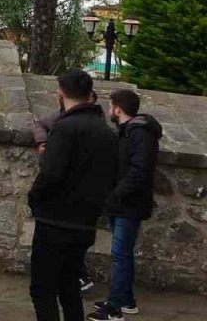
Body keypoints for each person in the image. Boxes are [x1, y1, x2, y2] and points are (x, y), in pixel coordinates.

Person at [28, 70, 117, 321]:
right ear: (89, 94)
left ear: (61, 92)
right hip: (85, 222)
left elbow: (50, 174)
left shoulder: (65, 127)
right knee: (69, 287)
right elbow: (112, 177)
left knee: (43, 288)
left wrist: (34, 198)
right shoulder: (107, 132)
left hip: (55, 220)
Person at [89, 90, 161, 321]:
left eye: (111, 106)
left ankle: (115, 308)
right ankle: (125, 300)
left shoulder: (140, 134)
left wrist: (116, 195)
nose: (109, 110)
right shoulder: (126, 132)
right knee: (122, 253)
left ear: (118, 108)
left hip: (129, 204)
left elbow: (140, 171)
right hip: (121, 203)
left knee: (120, 254)